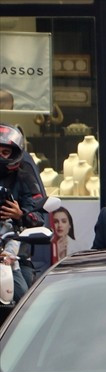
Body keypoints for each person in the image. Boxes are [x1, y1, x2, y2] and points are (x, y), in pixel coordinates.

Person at [0, 123, 48, 303]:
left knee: (25, 299)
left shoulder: (25, 177)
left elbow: (40, 216)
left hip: (15, 254)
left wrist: (20, 214)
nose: (1, 157)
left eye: (5, 153)